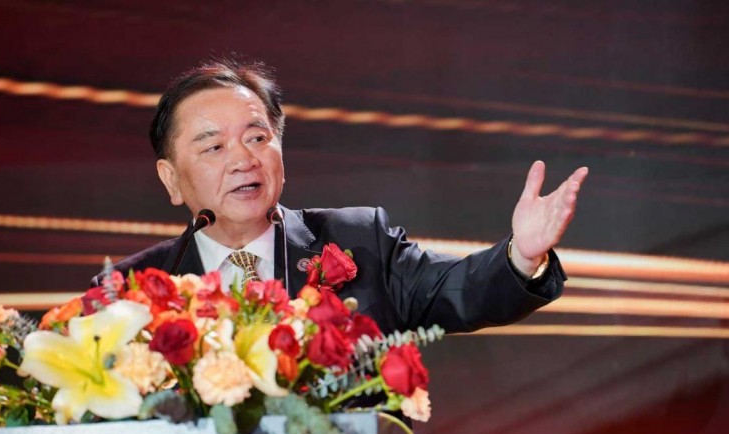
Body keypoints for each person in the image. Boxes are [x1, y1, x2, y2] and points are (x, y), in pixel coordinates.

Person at [100, 58, 587, 335]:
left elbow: (457, 291)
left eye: (257, 137)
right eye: (214, 147)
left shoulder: (358, 241)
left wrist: (522, 256)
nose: (244, 159)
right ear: (170, 179)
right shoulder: (130, 289)